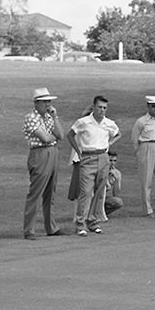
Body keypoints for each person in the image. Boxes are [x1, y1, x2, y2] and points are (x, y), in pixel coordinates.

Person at [66, 95, 120, 236]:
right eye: (100, 107)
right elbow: (70, 135)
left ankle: (93, 221)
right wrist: (78, 150)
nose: (102, 110)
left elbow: (118, 134)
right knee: (85, 191)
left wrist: (110, 144)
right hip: (88, 157)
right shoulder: (83, 122)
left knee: (100, 191)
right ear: (94, 107)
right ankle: (80, 224)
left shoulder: (109, 123)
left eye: (104, 108)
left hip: (103, 157)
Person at [22, 87, 64, 240]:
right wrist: (52, 137)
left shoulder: (48, 117)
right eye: (45, 102)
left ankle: (51, 227)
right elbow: (45, 138)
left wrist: (55, 117)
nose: (48, 105)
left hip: (52, 153)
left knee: (50, 193)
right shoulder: (31, 117)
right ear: (36, 103)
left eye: (49, 102)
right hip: (39, 154)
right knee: (35, 193)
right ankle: (29, 230)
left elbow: (60, 135)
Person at [101, 151, 124, 216]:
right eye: (110, 160)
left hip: (103, 197)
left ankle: (102, 213)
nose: (112, 163)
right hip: (94, 196)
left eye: (114, 161)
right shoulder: (100, 170)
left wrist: (117, 180)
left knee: (118, 201)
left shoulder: (117, 173)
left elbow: (116, 194)